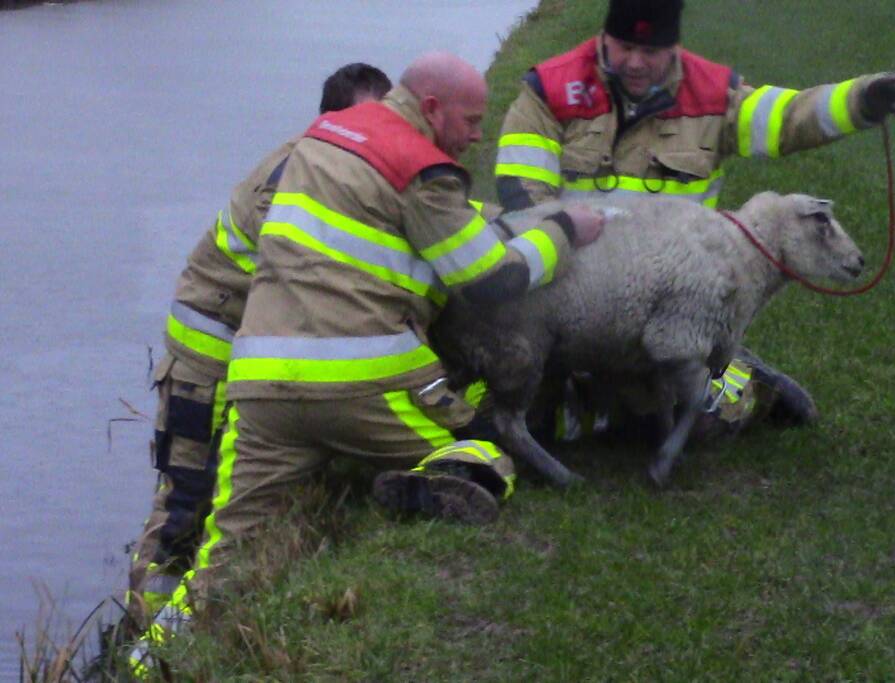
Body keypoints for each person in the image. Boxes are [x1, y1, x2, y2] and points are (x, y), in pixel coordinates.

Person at [127, 52, 604, 675]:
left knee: (225, 552)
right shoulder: (419, 165)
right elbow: (490, 277)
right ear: (430, 108)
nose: (477, 136)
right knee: (489, 449)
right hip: (362, 383)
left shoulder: (315, 142)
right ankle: (429, 485)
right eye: (470, 120)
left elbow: (394, 223)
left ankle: (143, 662)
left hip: (260, 387)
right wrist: (563, 229)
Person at [493, 0, 895, 439]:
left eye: (650, 51)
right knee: (512, 401)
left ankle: (730, 377)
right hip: (575, 292)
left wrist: (863, 100)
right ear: (603, 38)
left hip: (669, 300)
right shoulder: (549, 90)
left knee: (694, 422)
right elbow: (525, 204)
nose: (635, 62)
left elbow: (789, 118)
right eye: (623, 47)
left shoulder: (715, 93)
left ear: (673, 47)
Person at [125, 63, 393, 630]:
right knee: (183, 510)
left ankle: (199, 630)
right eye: (366, 120)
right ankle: (143, 640)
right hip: (208, 363)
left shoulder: (337, 169)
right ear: (330, 121)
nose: (378, 132)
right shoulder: (296, 174)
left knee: (230, 510)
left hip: (251, 359)